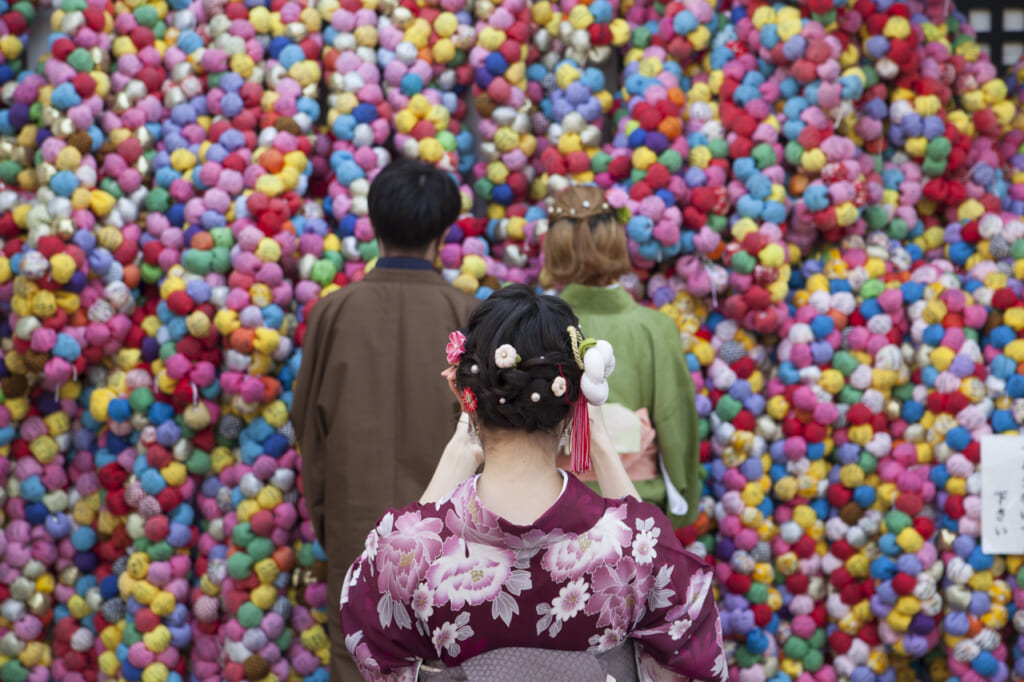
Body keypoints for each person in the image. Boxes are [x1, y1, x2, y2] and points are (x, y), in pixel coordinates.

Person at [339, 285, 726, 681]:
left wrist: (455, 459)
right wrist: (602, 448)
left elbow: (372, 636)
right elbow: (692, 653)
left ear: (463, 391)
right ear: (578, 398)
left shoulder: (402, 551)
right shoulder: (635, 545)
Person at [293, 158, 479, 680]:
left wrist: (333, 526)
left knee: (360, 662)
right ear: (443, 232)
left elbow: (310, 430)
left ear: (374, 224)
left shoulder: (334, 312)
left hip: (358, 532)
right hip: (452, 541)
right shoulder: (468, 314)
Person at [542, 185, 702, 528]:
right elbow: (676, 425)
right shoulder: (654, 328)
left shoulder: (533, 325)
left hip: (549, 502)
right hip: (635, 504)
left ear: (552, 245)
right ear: (617, 238)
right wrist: (683, 507)